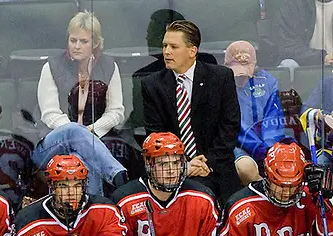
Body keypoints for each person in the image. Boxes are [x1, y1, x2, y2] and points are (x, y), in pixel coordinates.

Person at [141, 20, 242, 206]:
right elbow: (156, 134)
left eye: (173, 46)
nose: (166, 52)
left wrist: (207, 163)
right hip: (171, 172)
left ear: (192, 51)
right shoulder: (152, 85)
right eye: (164, 46)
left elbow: (230, 126)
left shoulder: (220, 77)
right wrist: (184, 166)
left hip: (216, 166)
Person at [34, 10, 128, 196]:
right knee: (75, 133)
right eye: (73, 40)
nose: (76, 46)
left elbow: (116, 111)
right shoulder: (51, 66)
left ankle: (92, 210)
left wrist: (92, 131)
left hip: (93, 142)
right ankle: (116, 175)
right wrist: (79, 133)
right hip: (53, 142)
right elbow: (49, 114)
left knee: (81, 158)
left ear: (95, 43)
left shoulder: (109, 66)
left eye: (83, 41)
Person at [111, 132, 220, 236]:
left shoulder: (203, 198)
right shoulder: (124, 200)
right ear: (148, 165)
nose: (171, 171)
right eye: (163, 164)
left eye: (176, 163)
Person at [14, 155, 133, 236]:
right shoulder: (29, 221)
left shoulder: (104, 210)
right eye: (63, 186)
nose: (71, 193)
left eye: (77, 185)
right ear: (51, 186)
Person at [219, 142, 318, 236]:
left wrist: (324, 200)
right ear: (267, 175)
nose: (286, 193)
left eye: (292, 186)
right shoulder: (241, 206)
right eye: (281, 185)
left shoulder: (309, 197)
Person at [224, 41, 286, 185]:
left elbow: (274, 116)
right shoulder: (222, 84)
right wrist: (257, 148)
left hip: (267, 144)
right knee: (247, 168)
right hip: (237, 145)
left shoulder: (268, 81)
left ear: (255, 63)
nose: (241, 76)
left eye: (246, 68)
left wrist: (270, 148)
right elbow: (233, 122)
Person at [274, 0, 333, 67]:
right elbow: (288, 47)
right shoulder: (295, 4)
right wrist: (322, 58)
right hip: (307, 64)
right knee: (288, 64)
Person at [299, 75, 333, 165]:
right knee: (319, 164)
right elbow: (305, 111)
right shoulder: (328, 83)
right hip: (330, 148)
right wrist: (320, 116)